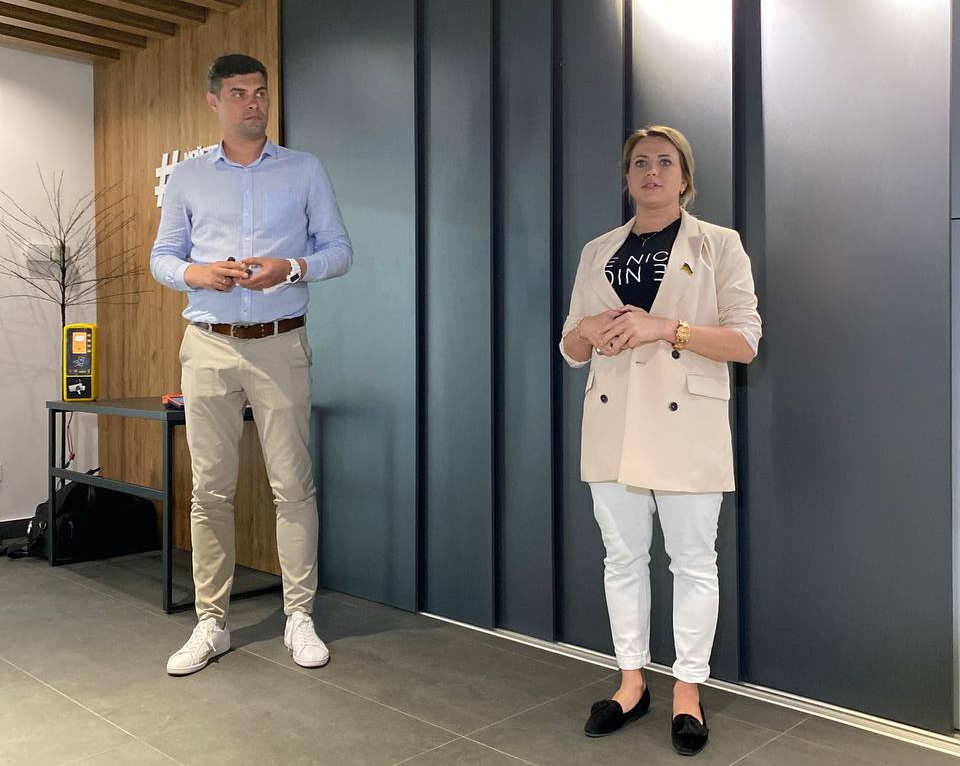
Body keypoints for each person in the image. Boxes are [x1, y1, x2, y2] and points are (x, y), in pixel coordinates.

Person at [559, 125, 760, 755]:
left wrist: (664, 328)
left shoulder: (719, 244)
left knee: (693, 562)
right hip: (612, 422)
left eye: (665, 162)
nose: (652, 172)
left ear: (684, 177)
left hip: (686, 425)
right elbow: (570, 346)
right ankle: (630, 682)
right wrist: (588, 328)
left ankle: (687, 690)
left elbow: (745, 341)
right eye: (640, 162)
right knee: (622, 559)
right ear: (627, 177)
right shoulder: (598, 250)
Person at [150, 53, 352, 676]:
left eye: (260, 91)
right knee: (209, 489)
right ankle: (211, 623)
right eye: (238, 93)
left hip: (281, 342)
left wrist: (290, 268)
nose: (253, 102)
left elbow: (339, 251)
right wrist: (197, 274)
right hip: (207, 345)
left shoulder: (304, 168)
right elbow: (162, 257)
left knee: (293, 485)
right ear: (214, 101)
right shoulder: (187, 177)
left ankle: (299, 615)